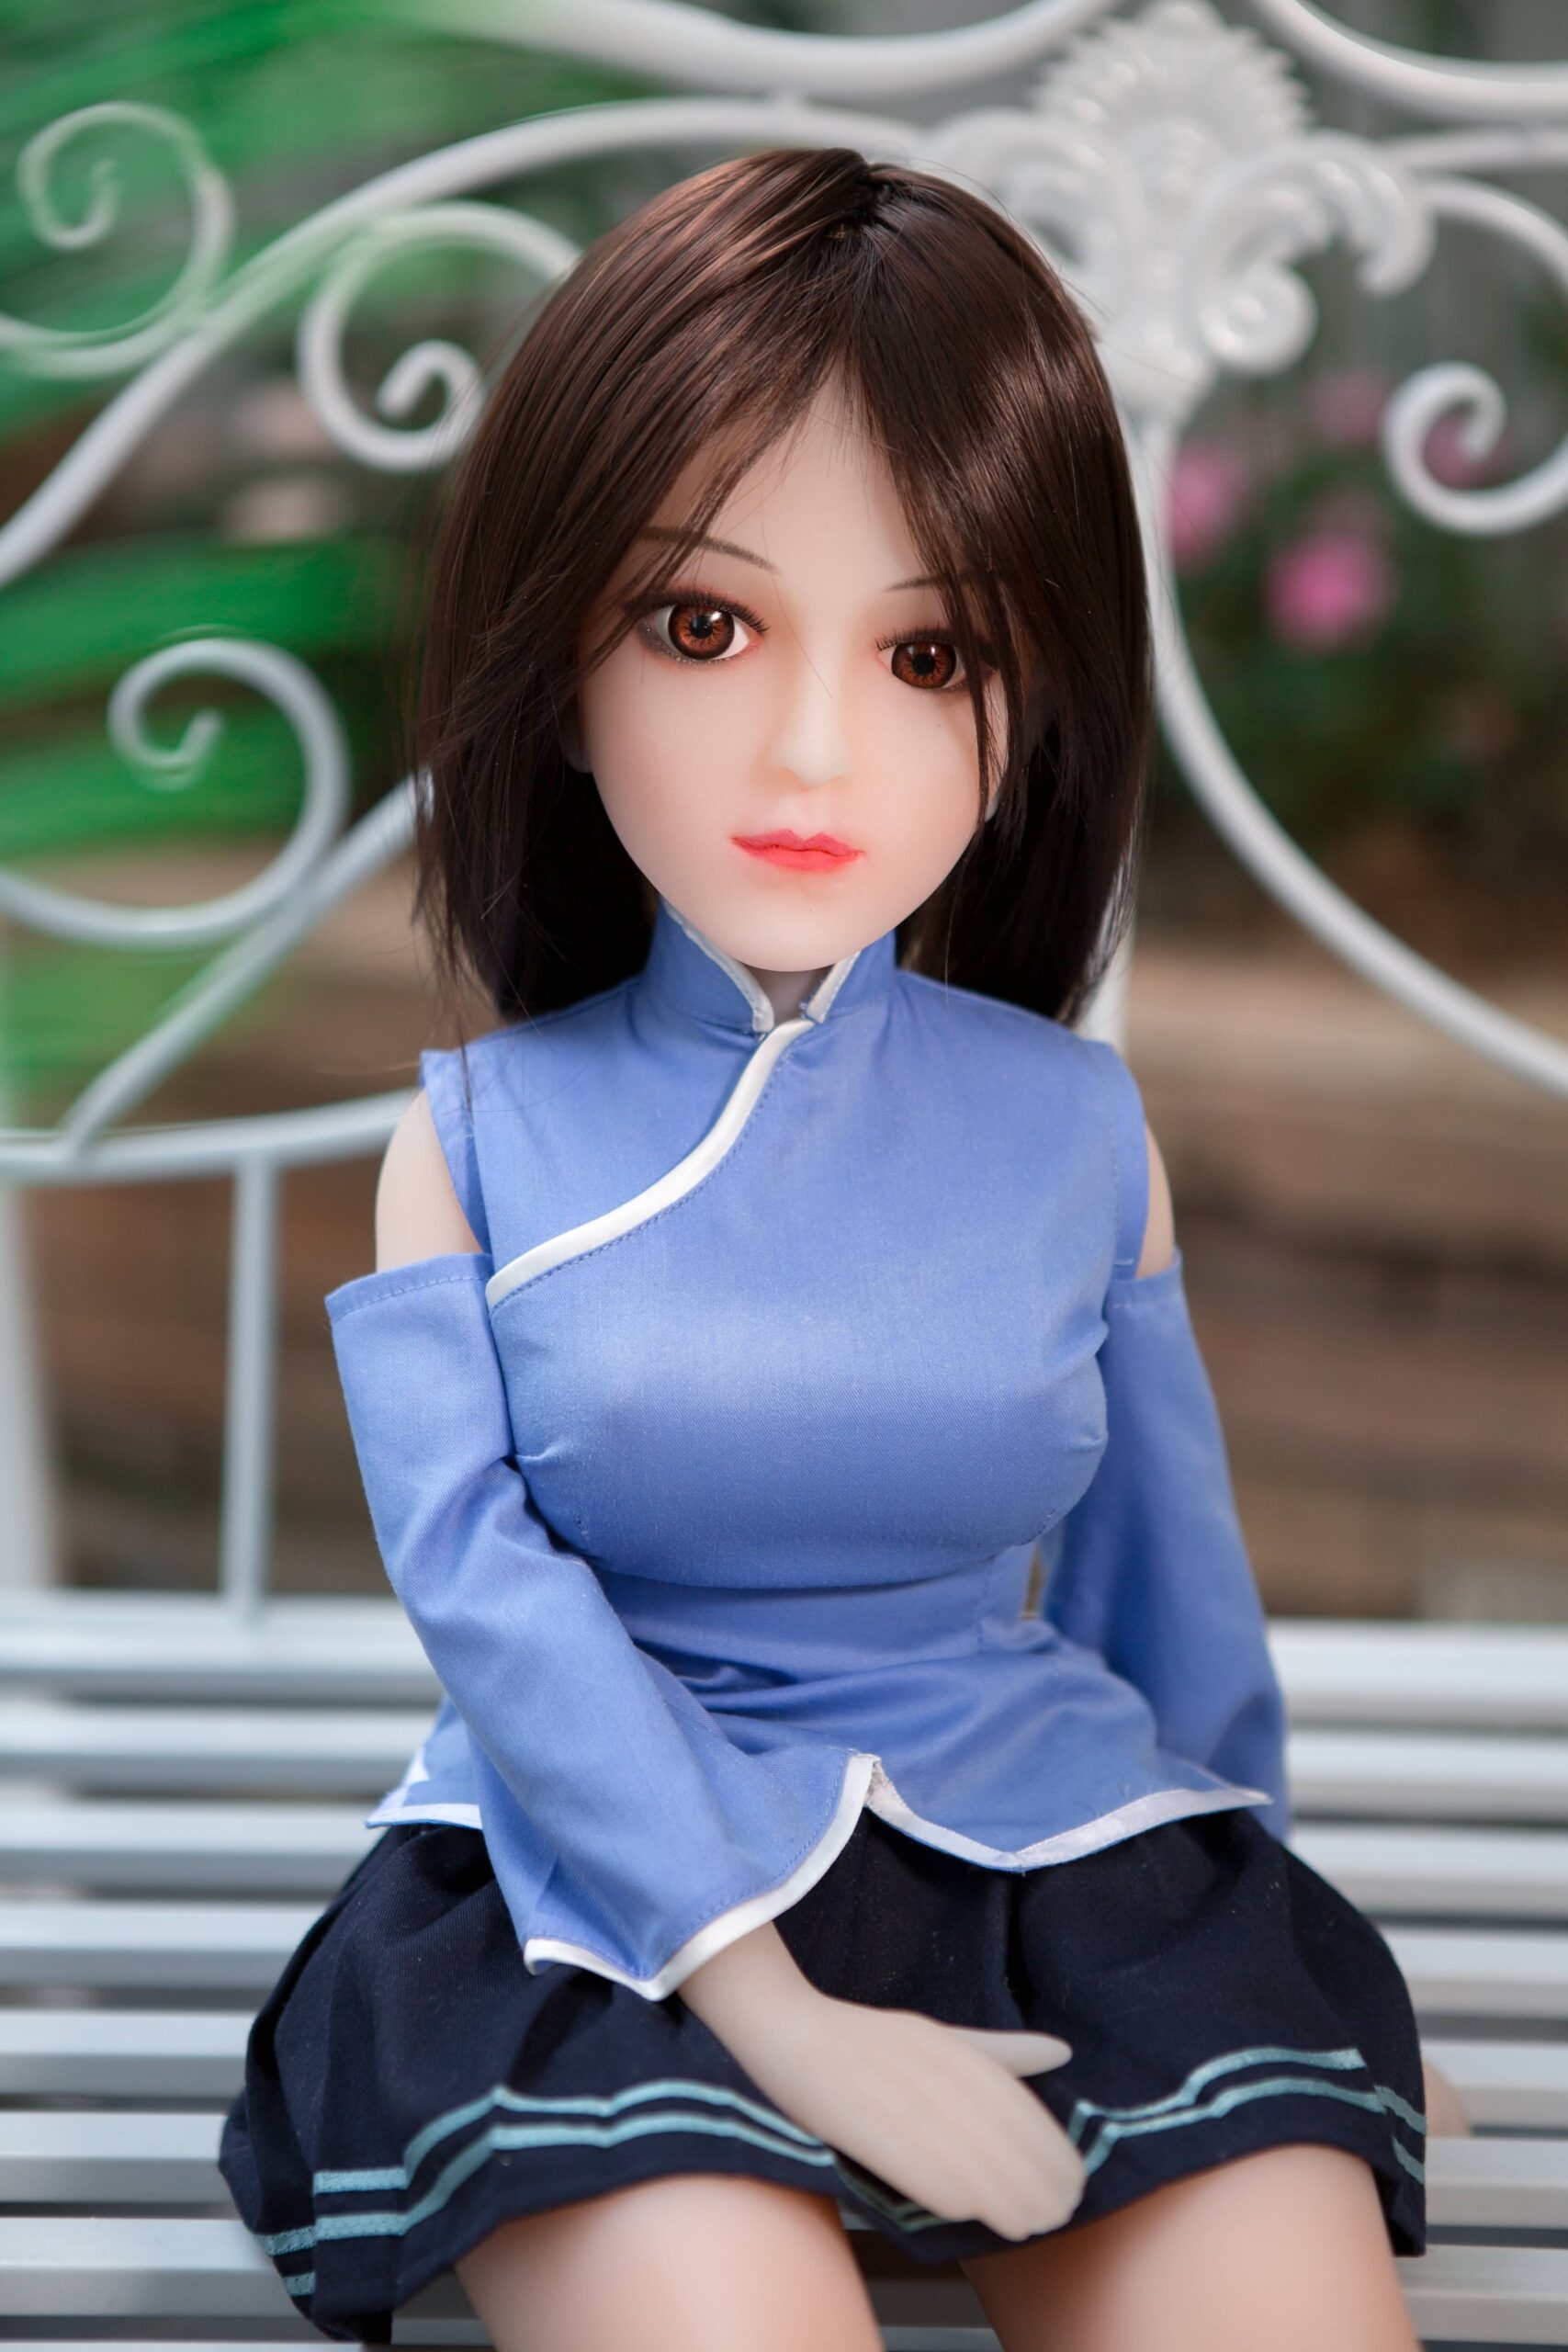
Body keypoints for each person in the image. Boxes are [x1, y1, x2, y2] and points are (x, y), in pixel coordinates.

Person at [219, 148, 1450, 2351]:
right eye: (700, 624)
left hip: (1050, 1856)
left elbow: (1169, 1596)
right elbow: (500, 1618)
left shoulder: (1073, 1129)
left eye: (927, 649)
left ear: (1031, 692)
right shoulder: (479, 1146)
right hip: (602, 1906)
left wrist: (1267, 1981)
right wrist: (768, 2002)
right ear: (555, 655)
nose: (811, 748)